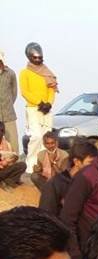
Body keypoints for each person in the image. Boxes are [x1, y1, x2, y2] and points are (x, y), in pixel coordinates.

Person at [19, 42, 58, 172]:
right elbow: (25, 92)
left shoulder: (47, 72)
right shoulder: (24, 73)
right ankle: (30, 165)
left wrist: (49, 104)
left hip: (47, 109)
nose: (37, 60)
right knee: (35, 136)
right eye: (35, 58)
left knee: (46, 138)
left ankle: (43, 166)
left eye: (39, 58)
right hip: (33, 108)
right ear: (29, 57)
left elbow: (52, 90)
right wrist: (39, 103)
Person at [38, 139, 97, 216]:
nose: (95, 167)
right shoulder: (54, 185)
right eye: (91, 163)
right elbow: (45, 217)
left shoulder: (92, 182)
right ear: (77, 162)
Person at [0, 51, 18, 154]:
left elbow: (14, 92)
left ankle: (14, 165)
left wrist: (8, 104)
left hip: (9, 114)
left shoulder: (10, 73)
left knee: (13, 142)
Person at [0, 121, 26, 189]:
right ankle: (9, 181)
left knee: (22, 165)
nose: (0, 133)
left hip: (5, 170)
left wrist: (8, 161)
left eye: (1, 131)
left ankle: (8, 181)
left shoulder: (7, 144)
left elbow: (12, 158)